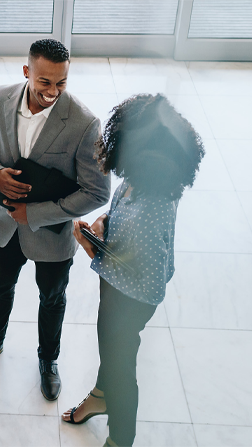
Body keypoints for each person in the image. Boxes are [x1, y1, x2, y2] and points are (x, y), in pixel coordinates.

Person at [0, 39, 111, 402]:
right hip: (2, 226)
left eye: (61, 83)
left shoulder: (85, 124)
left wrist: (36, 214)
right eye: (44, 82)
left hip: (52, 236)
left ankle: (48, 361)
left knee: (52, 299)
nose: (53, 92)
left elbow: (97, 192)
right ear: (27, 72)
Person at [61, 94, 204, 447]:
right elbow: (122, 217)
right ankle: (99, 394)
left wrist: (92, 248)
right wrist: (105, 224)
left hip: (130, 300)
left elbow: (146, 276)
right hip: (118, 291)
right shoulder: (146, 179)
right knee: (112, 352)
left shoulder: (154, 203)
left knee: (121, 367)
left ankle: (120, 439)